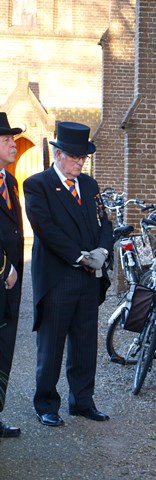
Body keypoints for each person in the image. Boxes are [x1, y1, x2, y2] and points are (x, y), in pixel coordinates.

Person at [24, 121, 113, 427]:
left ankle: (82, 401)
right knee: (52, 345)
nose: (79, 162)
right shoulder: (38, 185)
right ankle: (46, 403)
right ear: (58, 154)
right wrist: (79, 256)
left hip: (90, 277)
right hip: (58, 276)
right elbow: (45, 228)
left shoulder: (89, 185)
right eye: (74, 157)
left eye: (83, 158)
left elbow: (105, 223)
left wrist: (102, 251)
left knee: (85, 342)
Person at [0, 113, 24, 438]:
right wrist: (5, 268)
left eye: (13, 139)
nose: (13, 144)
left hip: (9, 290)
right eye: (6, 139)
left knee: (3, 349)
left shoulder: (10, 181)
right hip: (3, 277)